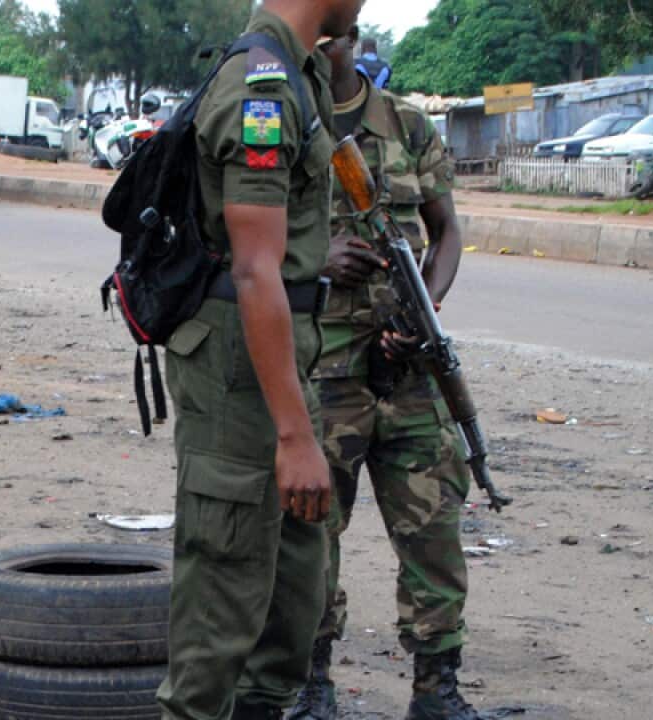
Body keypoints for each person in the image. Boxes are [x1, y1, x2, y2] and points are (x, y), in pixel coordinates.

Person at [155, 1, 365, 718]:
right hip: (241, 370)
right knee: (221, 617)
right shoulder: (261, 88)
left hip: (276, 365)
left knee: (290, 605)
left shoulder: (302, 74)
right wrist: (295, 434)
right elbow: (254, 269)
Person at [288, 26, 483, 720]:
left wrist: (425, 304)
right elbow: (241, 237)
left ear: (356, 39)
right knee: (312, 535)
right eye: (311, 38)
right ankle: (312, 686)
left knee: (434, 531)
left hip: (405, 366)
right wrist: (316, 255)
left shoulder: (407, 124)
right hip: (323, 370)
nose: (321, 49)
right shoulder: (286, 122)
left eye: (332, 38)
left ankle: (438, 690)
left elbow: (448, 229)